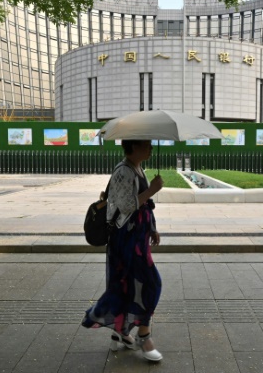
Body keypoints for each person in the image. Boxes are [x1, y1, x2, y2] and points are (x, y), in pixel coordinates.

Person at [81, 139, 165, 362]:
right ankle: (143, 335)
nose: (151, 148)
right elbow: (126, 206)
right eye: (147, 144)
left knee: (127, 286)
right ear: (134, 146)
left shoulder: (138, 168)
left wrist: (152, 228)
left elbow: (144, 206)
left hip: (138, 238)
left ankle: (120, 332)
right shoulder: (123, 171)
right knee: (151, 284)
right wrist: (153, 190)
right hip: (126, 241)